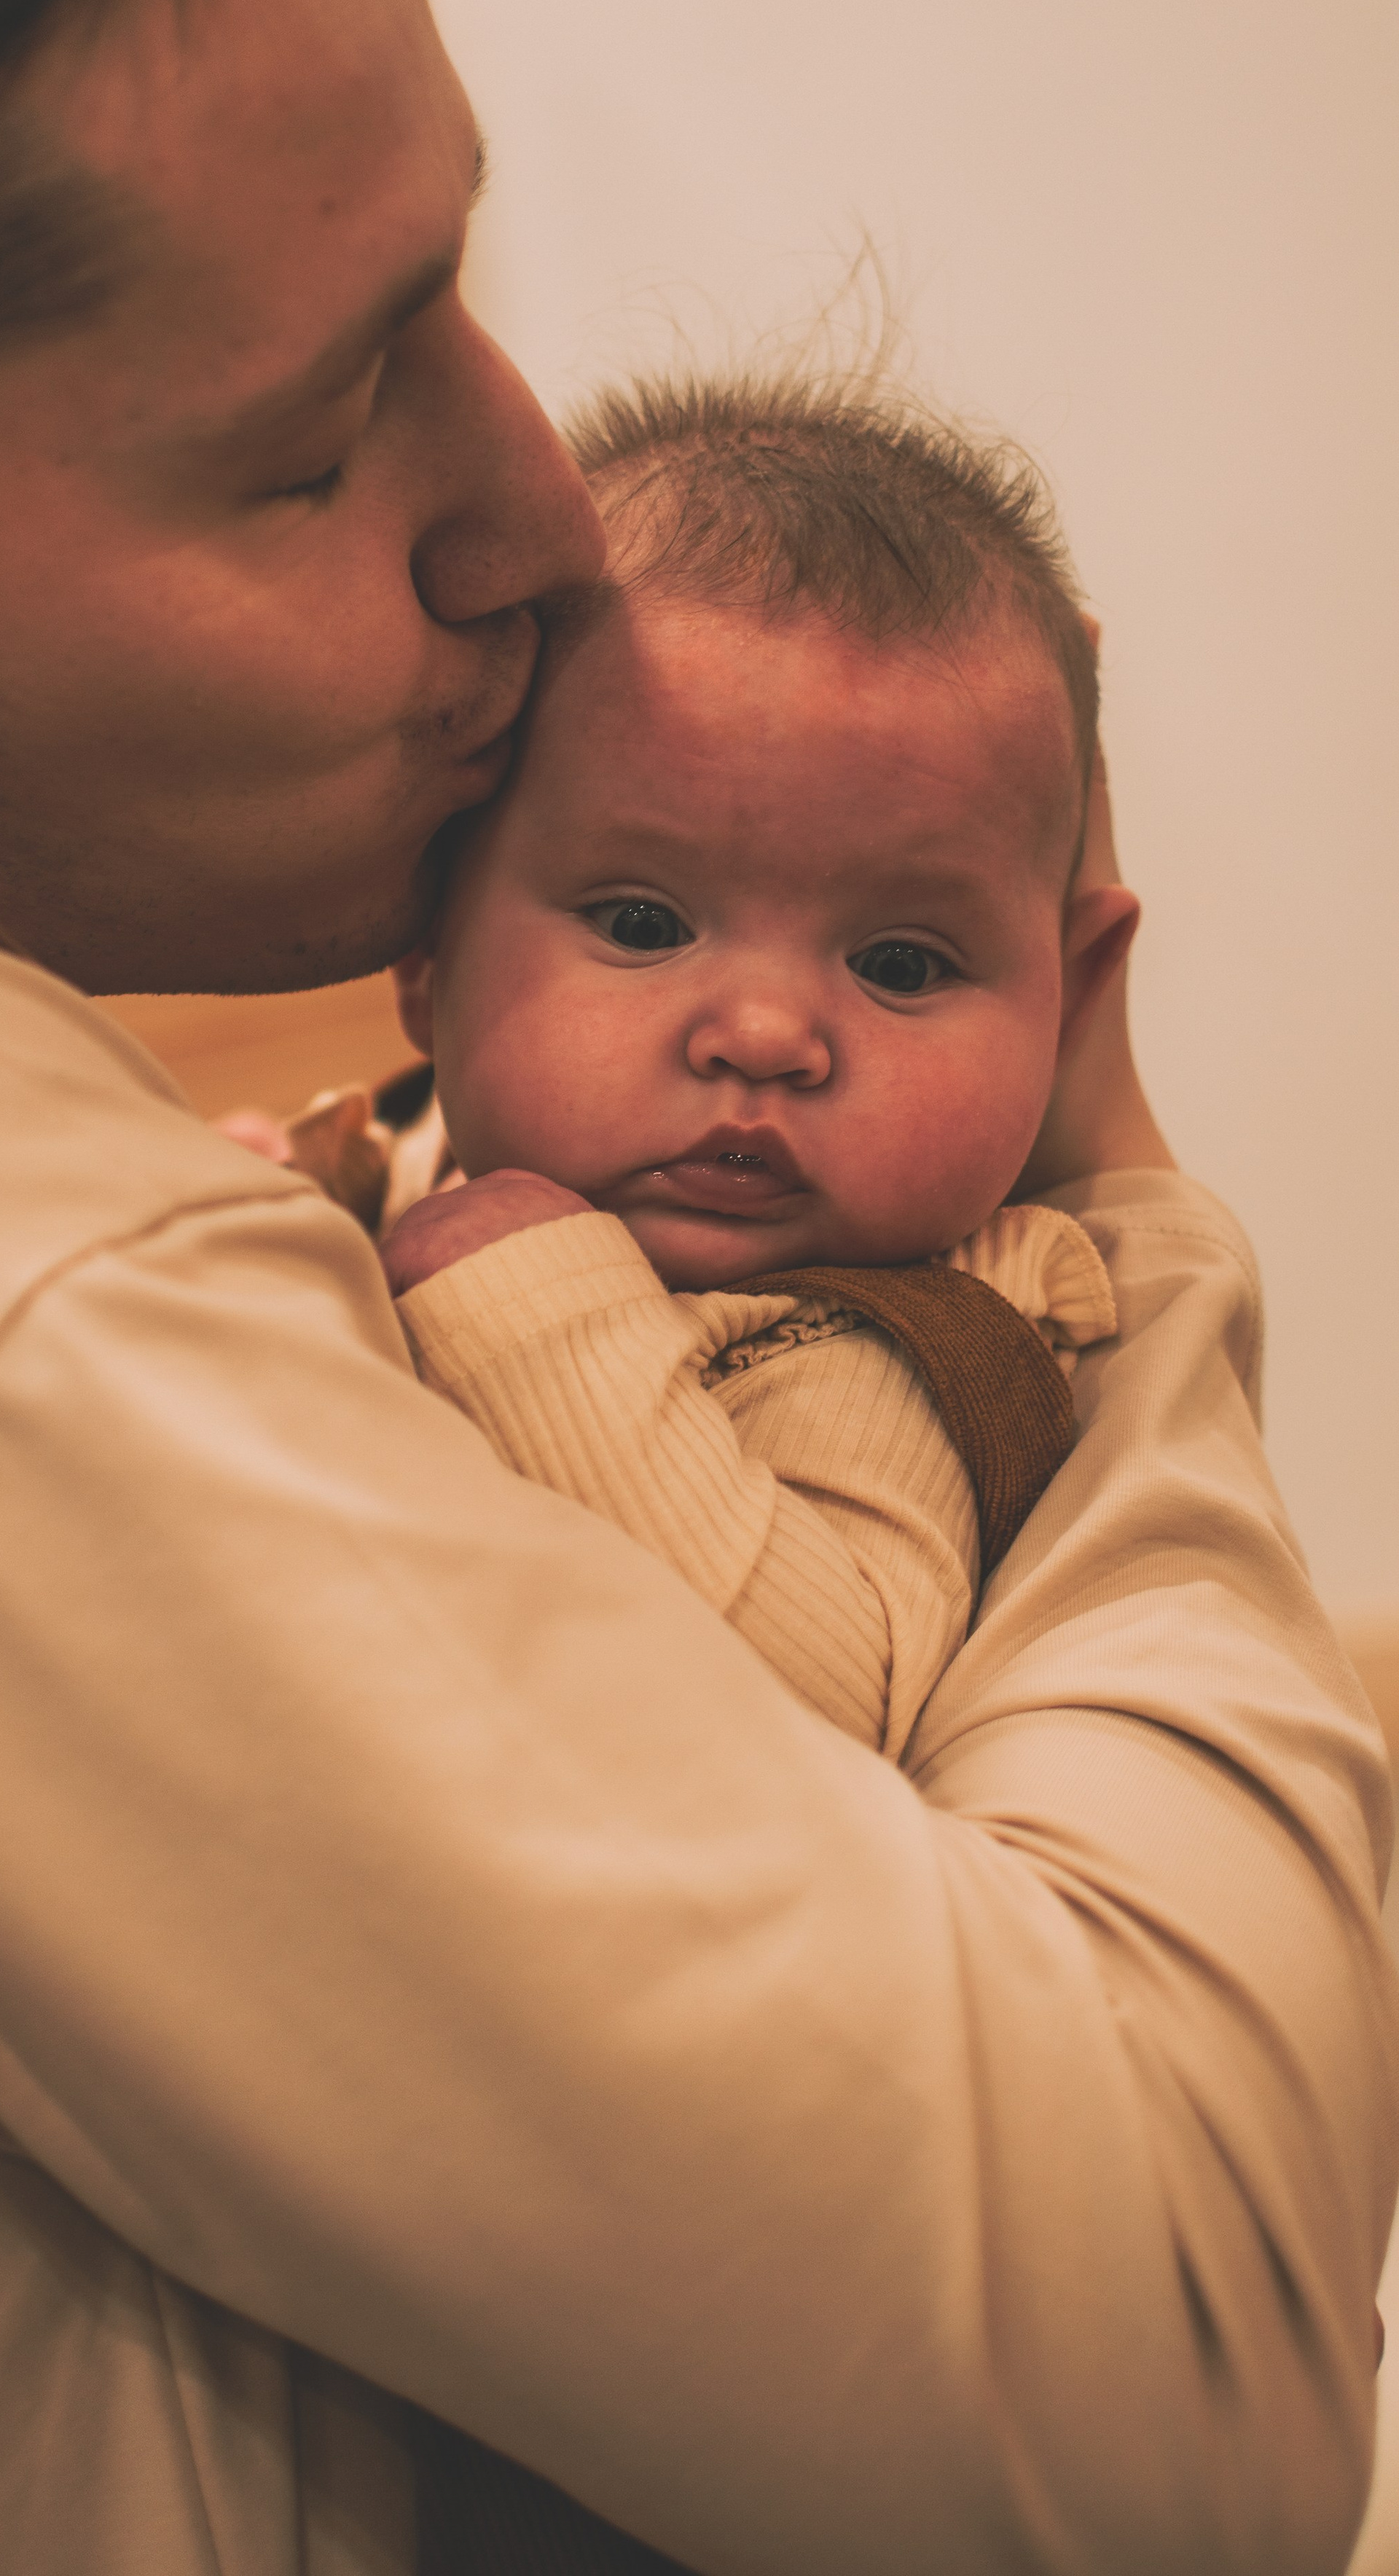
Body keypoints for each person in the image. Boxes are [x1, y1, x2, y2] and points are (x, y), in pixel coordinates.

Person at [0, 0, 1391, 2573]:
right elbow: (1178, 2406)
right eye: (318, 442)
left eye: (459, 297)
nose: (535, 521)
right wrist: (1112, 1254)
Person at [278, 371, 1134, 1756]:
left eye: (902, 964)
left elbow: (810, 1706)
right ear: (424, 948)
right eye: (642, 924)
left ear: (1073, 997)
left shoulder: (901, 1346)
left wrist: (530, 1297)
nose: (766, 1038)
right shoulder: (393, 1166)